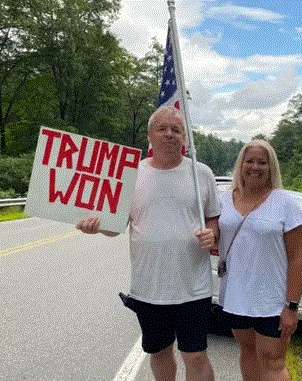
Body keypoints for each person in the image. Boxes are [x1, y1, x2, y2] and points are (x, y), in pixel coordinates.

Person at [76, 105, 220, 381]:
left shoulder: (201, 174)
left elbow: (214, 219)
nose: (169, 134)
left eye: (176, 130)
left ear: (185, 138)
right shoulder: (130, 175)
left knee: (197, 356)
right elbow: (116, 227)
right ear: (150, 136)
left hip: (194, 287)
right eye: (162, 129)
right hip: (148, 288)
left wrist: (212, 234)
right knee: (160, 353)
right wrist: (97, 228)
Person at [217, 140, 302, 381]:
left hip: (272, 301)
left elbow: (299, 259)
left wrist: (292, 307)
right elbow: (214, 237)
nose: (255, 167)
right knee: (247, 352)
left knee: (273, 362)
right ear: (240, 165)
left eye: (262, 162)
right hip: (237, 297)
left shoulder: (284, 203)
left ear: (271, 167)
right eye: (250, 161)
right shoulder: (225, 200)